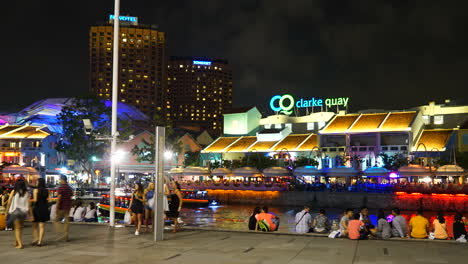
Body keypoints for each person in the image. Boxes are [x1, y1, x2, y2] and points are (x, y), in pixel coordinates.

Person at [6, 179, 30, 249]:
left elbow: (9, 202)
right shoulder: (27, 193)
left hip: (16, 212)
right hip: (23, 212)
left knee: (17, 228)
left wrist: (6, 212)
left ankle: (20, 244)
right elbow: (29, 204)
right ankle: (17, 242)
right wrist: (29, 213)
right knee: (20, 228)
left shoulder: (14, 192)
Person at [31, 178, 49, 246]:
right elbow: (48, 200)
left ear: (39, 183)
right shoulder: (47, 190)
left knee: (35, 225)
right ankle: (40, 241)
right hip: (44, 208)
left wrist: (29, 200)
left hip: (37, 208)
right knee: (42, 226)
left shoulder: (35, 190)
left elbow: (35, 200)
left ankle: (35, 239)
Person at [54, 175, 73, 242]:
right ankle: (66, 236)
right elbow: (71, 197)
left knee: (56, 220)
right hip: (68, 207)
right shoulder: (69, 188)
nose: (59, 181)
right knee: (66, 222)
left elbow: (59, 199)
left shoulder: (60, 188)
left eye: (60, 179)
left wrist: (56, 207)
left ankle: (62, 233)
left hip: (61, 207)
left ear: (62, 180)